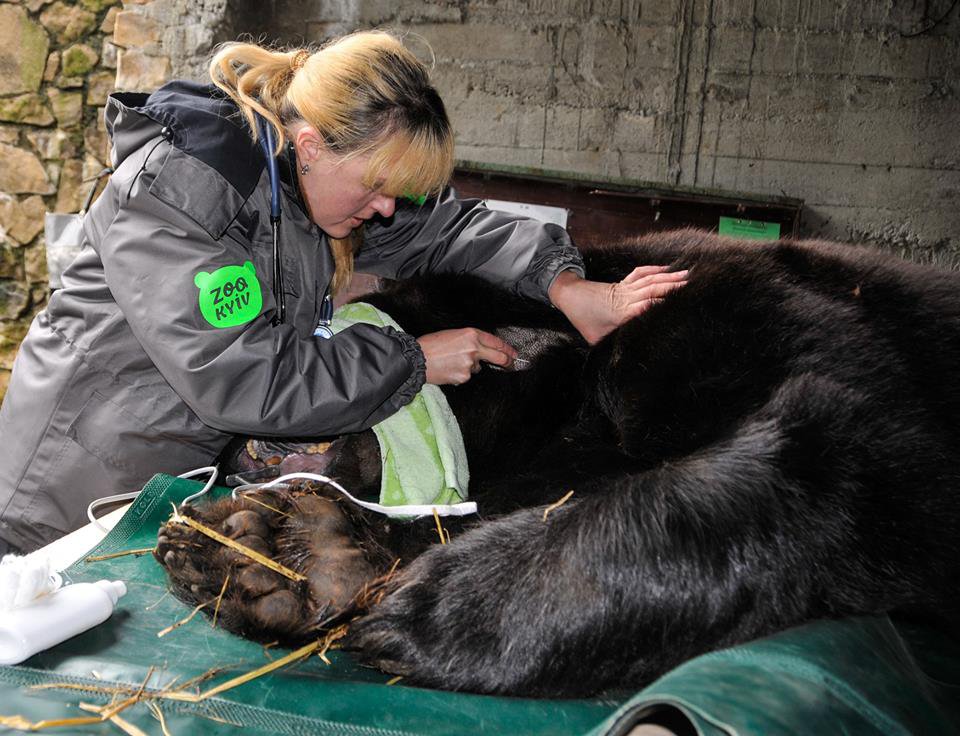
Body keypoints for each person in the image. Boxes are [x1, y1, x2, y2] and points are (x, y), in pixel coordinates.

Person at [0, 31, 686, 554]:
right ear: (310, 144)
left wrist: (566, 286)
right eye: (379, 186)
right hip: (62, 497)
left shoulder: (306, 197)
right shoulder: (181, 192)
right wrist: (415, 360)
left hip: (161, 491)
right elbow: (243, 379)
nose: (387, 210)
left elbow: (449, 228)